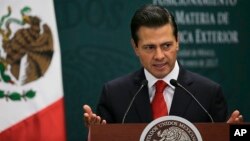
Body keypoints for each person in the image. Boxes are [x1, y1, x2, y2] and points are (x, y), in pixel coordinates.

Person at [83, 4, 243, 127]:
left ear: (177, 42)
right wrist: (96, 134)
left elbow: (229, 136)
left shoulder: (208, 93)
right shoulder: (114, 94)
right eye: (149, 47)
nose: (159, 56)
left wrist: (232, 136)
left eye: (166, 45)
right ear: (135, 47)